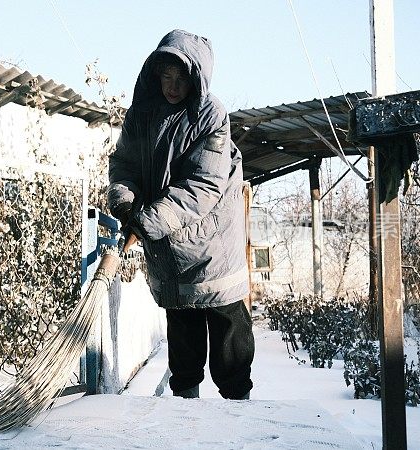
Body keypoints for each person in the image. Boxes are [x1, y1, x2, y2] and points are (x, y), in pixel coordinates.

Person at [108, 29, 254, 400]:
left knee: (228, 343)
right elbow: (124, 163)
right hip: (167, 243)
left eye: (181, 79)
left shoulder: (211, 116)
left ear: (197, 79)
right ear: (155, 75)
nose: (172, 87)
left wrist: (148, 222)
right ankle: (187, 420)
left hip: (212, 245)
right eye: (166, 77)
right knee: (183, 337)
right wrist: (125, 201)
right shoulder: (142, 113)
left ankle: (238, 416)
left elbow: (203, 186)